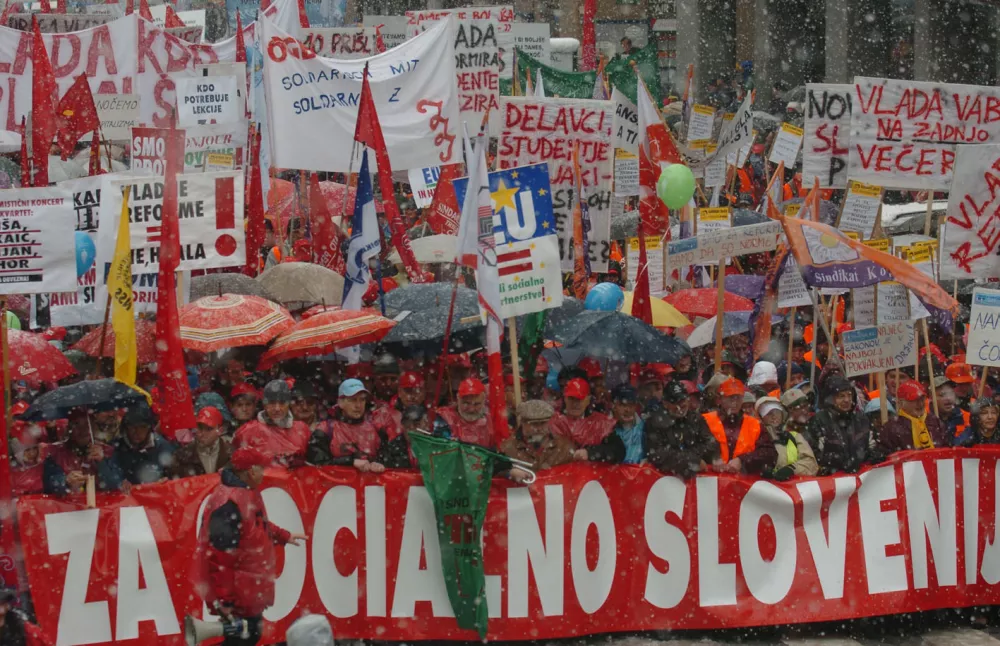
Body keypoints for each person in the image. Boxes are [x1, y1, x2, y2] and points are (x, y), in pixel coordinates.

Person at [194, 446, 306, 646]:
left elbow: (254, 525)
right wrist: (226, 601)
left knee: (249, 636)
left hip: (246, 589)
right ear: (250, 472)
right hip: (238, 593)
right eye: (261, 468)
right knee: (244, 638)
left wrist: (283, 535)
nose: (264, 472)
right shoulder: (229, 504)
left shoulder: (242, 493)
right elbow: (220, 558)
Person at [309, 379, 387, 472]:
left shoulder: (377, 428)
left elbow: (391, 462)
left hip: (369, 485)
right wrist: (350, 462)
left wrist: (378, 464)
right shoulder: (325, 429)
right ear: (341, 403)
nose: (358, 405)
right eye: (352, 400)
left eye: (362, 400)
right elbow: (317, 465)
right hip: (336, 485)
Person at [702, 378, 775, 475]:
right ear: (720, 399)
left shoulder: (755, 425)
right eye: (730, 397)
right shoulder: (705, 420)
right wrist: (713, 457)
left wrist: (743, 460)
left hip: (742, 484)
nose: (735, 402)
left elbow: (769, 453)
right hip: (710, 482)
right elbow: (695, 447)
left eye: (738, 398)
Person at [44, 409, 124, 495]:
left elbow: (117, 485)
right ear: (69, 429)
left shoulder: (108, 451)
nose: (83, 430)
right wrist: (65, 481)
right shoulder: (56, 453)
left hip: (103, 506)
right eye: (77, 424)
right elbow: (49, 485)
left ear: (93, 427)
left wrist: (102, 462)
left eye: (87, 424)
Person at [233, 380, 310, 468]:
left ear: (289, 404)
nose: (277, 408)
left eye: (282, 403)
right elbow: (237, 469)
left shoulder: (302, 429)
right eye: (272, 403)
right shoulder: (247, 431)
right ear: (264, 404)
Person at [807, 375, 875, 474]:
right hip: (834, 480)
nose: (847, 400)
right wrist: (837, 462)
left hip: (861, 477)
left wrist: (873, 455)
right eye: (841, 396)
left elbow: (870, 445)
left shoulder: (860, 418)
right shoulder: (819, 421)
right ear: (830, 399)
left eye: (849, 395)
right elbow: (814, 454)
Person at [645, 383, 714, 478]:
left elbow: (710, 444)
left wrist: (692, 457)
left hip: (698, 479)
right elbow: (657, 454)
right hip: (665, 481)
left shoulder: (696, 419)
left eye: (683, 400)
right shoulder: (654, 422)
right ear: (665, 403)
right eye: (675, 402)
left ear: (688, 399)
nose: (680, 405)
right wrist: (690, 460)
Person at [500, 400, 574, 475]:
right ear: (522, 423)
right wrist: (509, 473)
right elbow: (495, 475)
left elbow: (574, 474)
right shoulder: (507, 448)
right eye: (534, 424)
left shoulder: (564, 447)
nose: (539, 428)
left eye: (543, 423)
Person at [756, 396, 818, 478]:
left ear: (782, 414)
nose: (774, 416)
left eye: (777, 412)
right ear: (761, 418)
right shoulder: (756, 438)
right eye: (768, 413)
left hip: (793, 487)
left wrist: (792, 469)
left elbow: (811, 464)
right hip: (765, 488)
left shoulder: (795, 436)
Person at [880, 380, 950, 453]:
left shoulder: (936, 422)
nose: (920, 404)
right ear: (900, 403)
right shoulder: (891, 428)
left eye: (922, 399)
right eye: (914, 400)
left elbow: (947, 450)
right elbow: (888, 456)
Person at [114, 403, 176, 485]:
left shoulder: (163, 447)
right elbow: (112, 476)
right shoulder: (117, 447)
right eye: (132, 427)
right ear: (125, 428)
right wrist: (119, 482)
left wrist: (166, 481)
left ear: (149, 428)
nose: (137, 432)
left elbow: (175, 477)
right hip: (127, 496)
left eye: (142, 427)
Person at [550, 378, 615, 447]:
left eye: (579, 399)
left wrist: (589, 453)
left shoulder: (601, 422)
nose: (575, 404)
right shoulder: (554, 421)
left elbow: (616, 448)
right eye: (571, 399)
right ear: (565, 398)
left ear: (588, 400)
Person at [170, 407, 233, 478]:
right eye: (200, 428)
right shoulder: (182, 456)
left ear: (220, 430)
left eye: (208, 429)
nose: (202, 434)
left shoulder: (232, 454)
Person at [434, 378, 496, 449]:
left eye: (477, 404)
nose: (471, 409)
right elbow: (440, 448)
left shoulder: (490, 421)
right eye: (466, 403)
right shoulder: (445, 417)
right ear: (458, 399)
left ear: (483, 401)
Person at [609, 385, 644, 464]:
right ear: (613, 406)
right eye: (623, 405)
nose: (628, 410)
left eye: (631, 405)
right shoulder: (604, 429)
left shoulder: (645, 428)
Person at [936, 377, 972, 443]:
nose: (948, 398)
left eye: (951, 393)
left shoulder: (967, 418)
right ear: (931, 397)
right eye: (942, 395)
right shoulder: (924, 419)